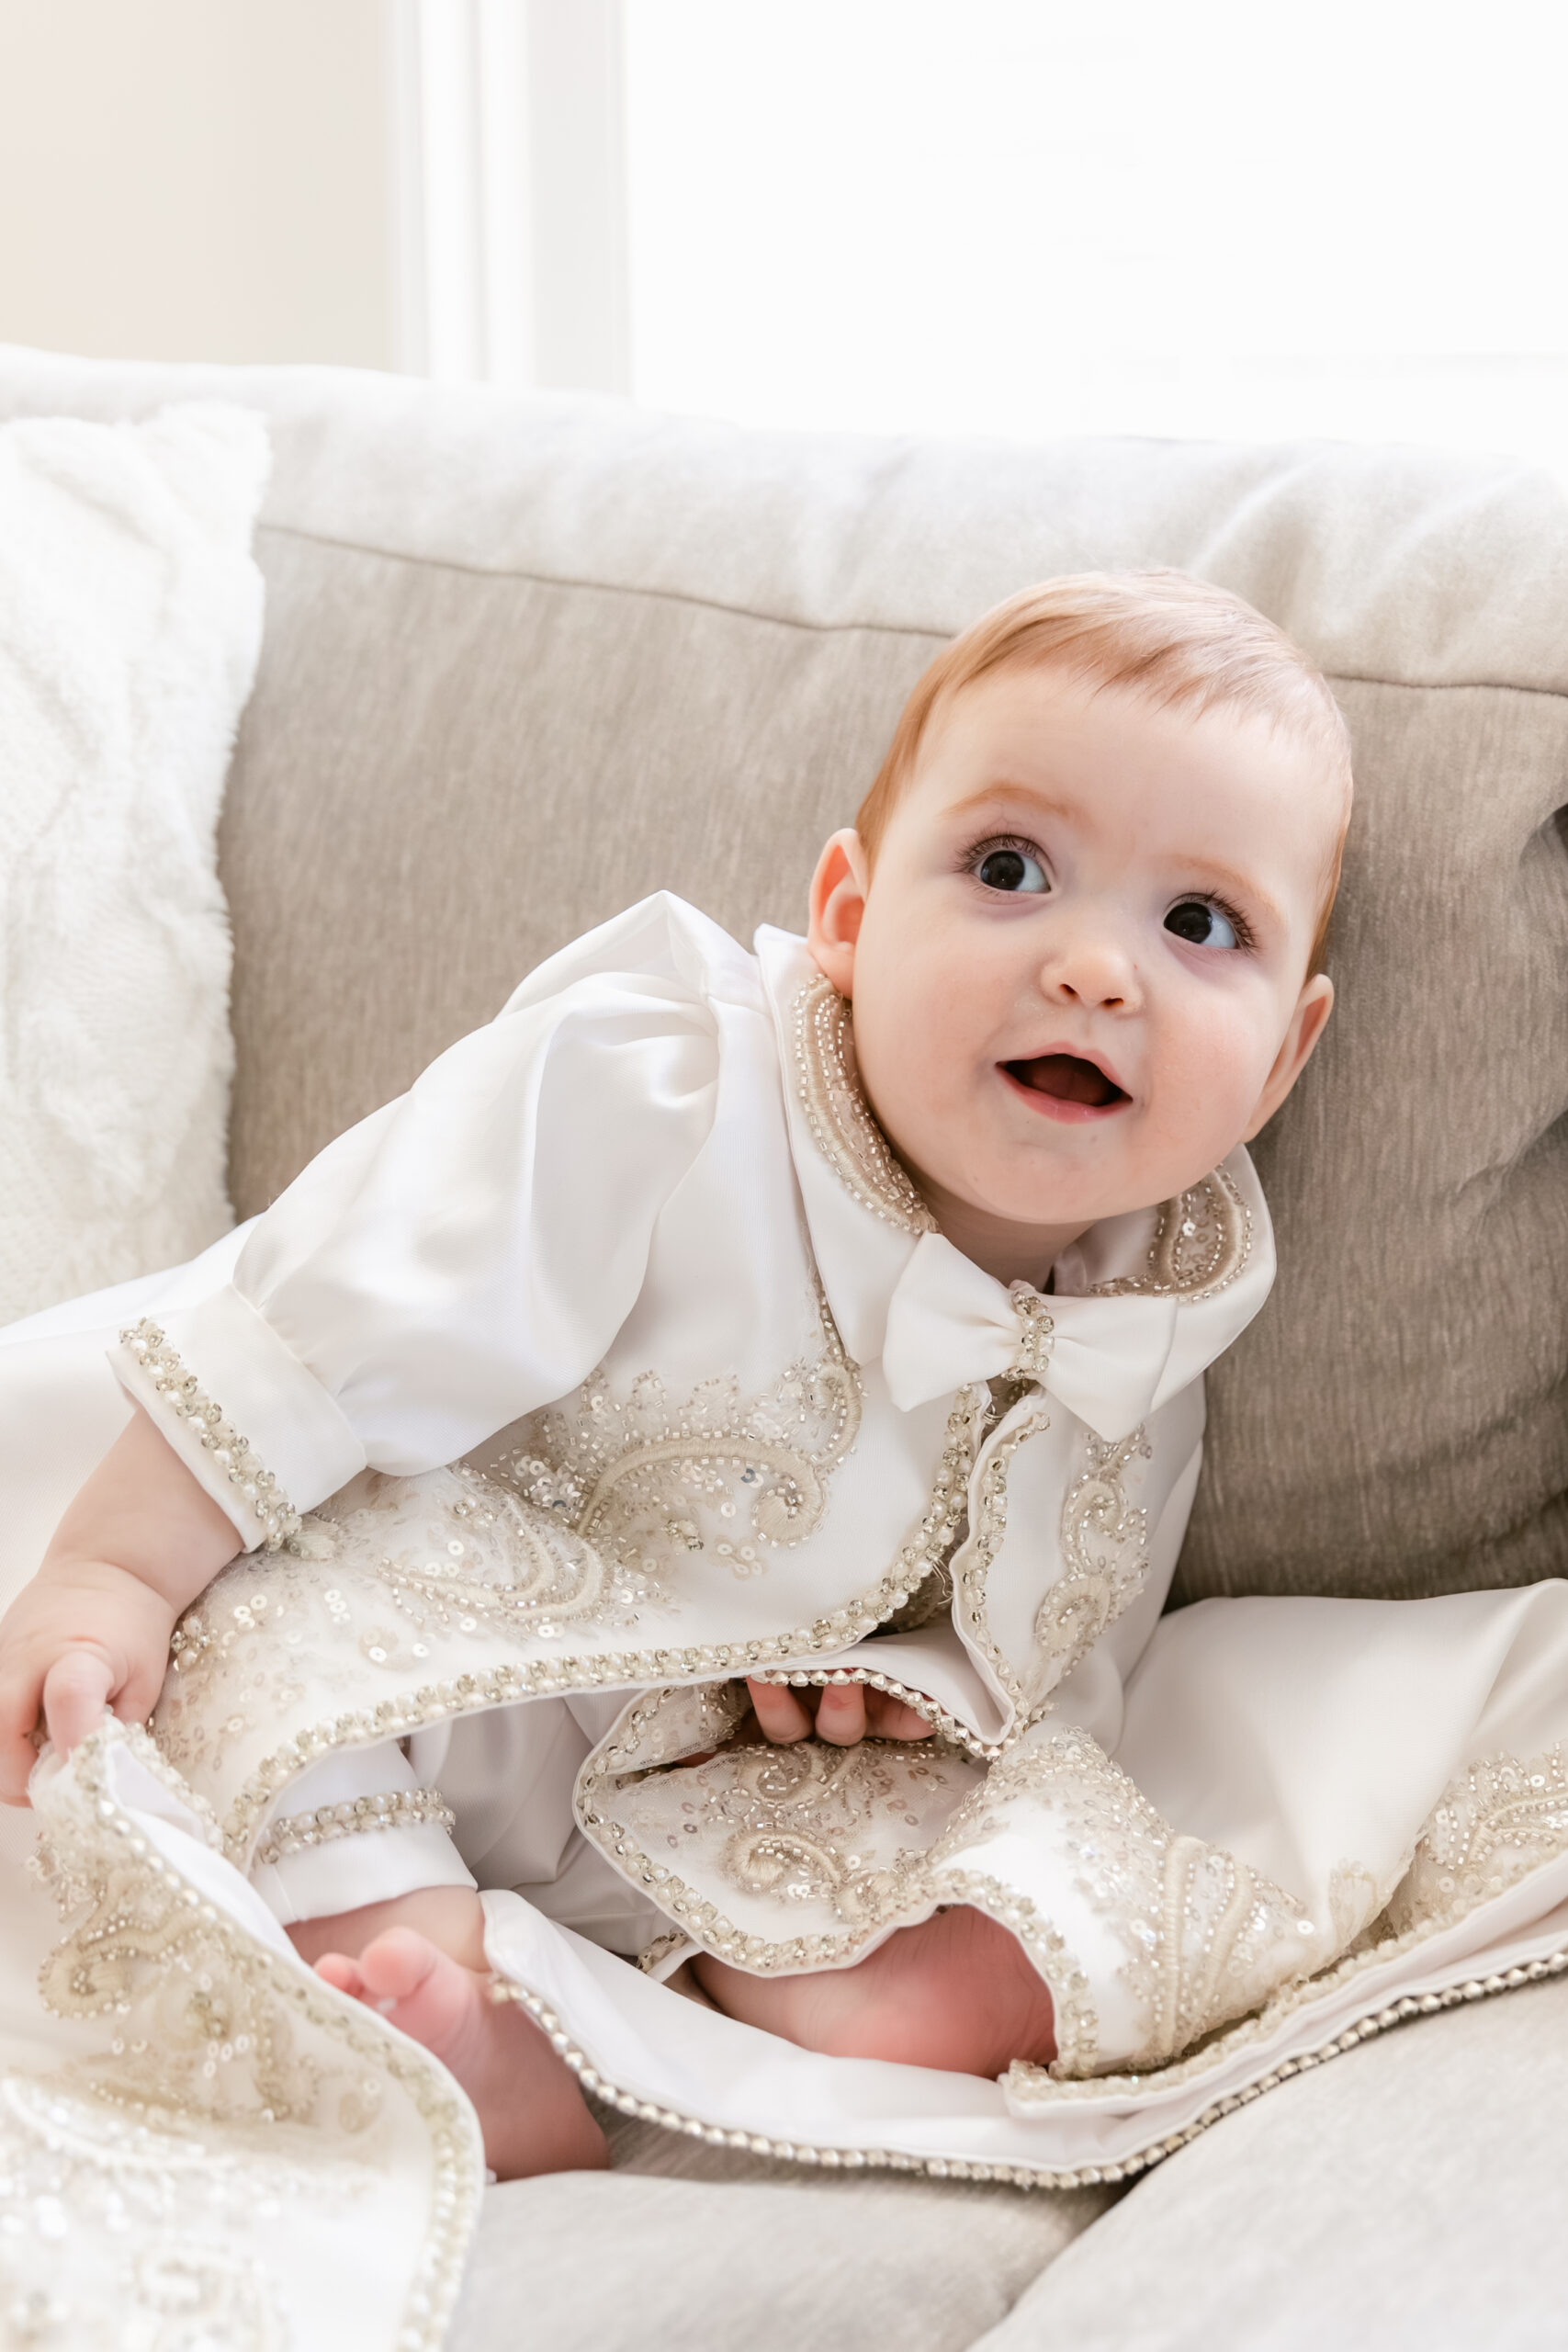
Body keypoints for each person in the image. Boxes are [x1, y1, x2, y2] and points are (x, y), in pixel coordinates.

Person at [0, 571, 1373, 2180]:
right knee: (244, 1683)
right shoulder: (664, 1090)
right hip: (328, 1530)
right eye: (1011, 869)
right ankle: (435, 2002)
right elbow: (338, 1311)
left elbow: (1072, 1636)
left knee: (954, 1845)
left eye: (1198, 924)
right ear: (852, 917)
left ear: (1285, 1054)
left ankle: (793, 1982)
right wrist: (108, 1571)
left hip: (644, 1742)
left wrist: (913, 1690)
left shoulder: (1154, 1330)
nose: (1094, 967)